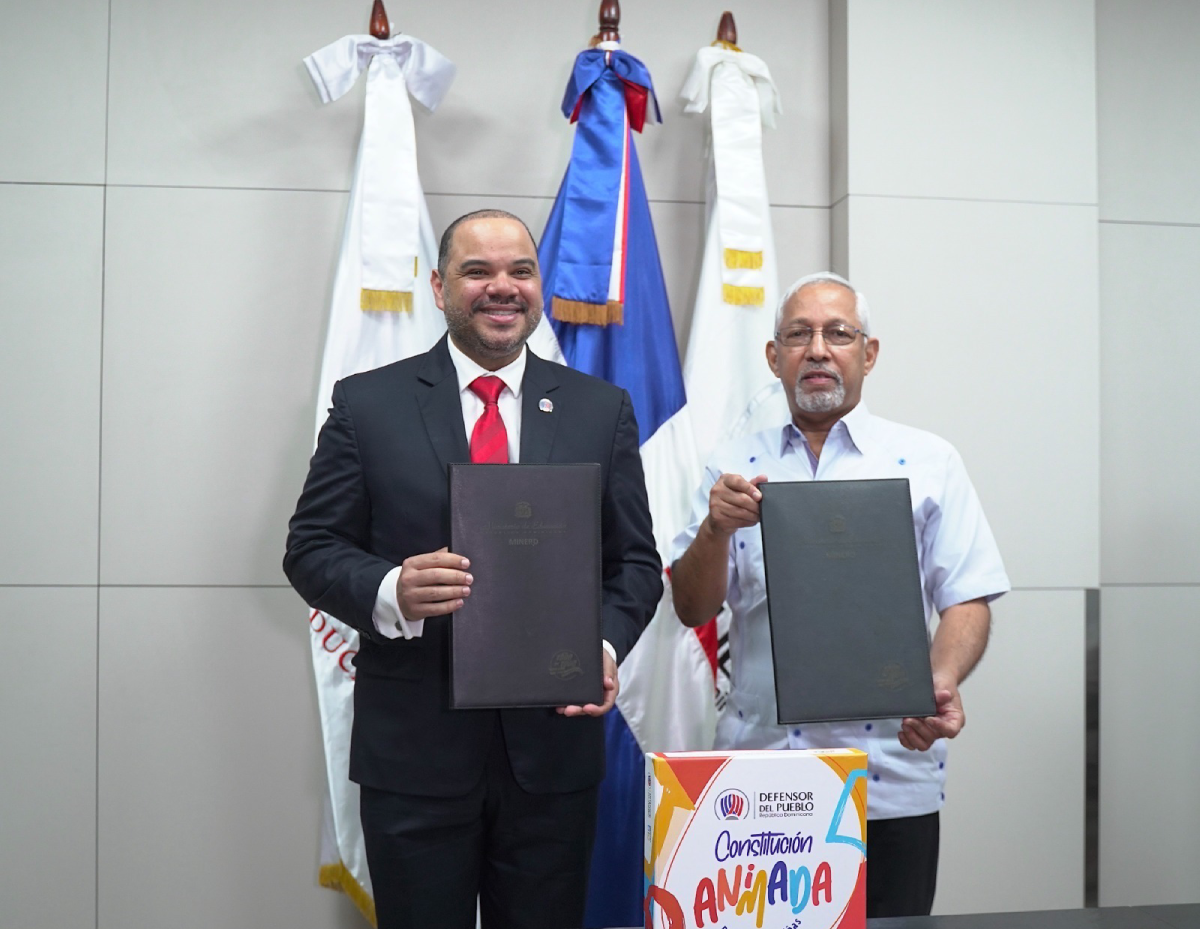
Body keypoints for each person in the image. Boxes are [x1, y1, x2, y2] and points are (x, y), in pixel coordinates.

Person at [284, 210, 662, 929]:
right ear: (438, 286)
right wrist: (392, 588)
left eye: (520, 270)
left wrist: (601, 647)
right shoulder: (368, 405)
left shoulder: (598, 408)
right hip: (415, 761)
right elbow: (310, 547)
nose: (502, 287)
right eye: (478, 270)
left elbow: (636, 563)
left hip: (553, 756)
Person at [671, 272, 1009, 918]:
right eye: (799, 334)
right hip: (761, 782)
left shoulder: (927, 461)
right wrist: (716, 527)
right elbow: (692, 607)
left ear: (869, 353)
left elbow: (968, 597)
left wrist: (937, 681)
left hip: (891, 778)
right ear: (774, 357)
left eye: (839, 333)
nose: (819, 349)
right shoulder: (729, 465)